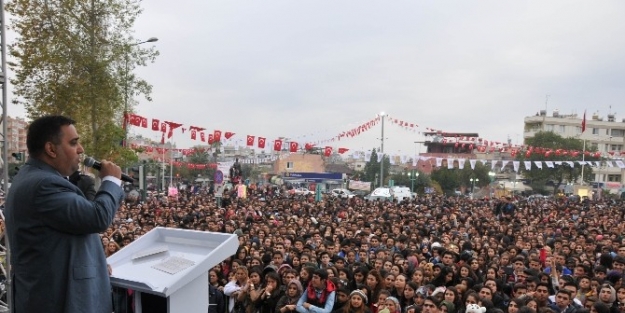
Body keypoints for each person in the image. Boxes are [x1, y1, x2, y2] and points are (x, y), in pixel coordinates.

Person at [5, 115, 124, 313]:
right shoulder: (45, 185)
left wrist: (95, 263)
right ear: (51, 149)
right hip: (60, 301)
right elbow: (98, 217)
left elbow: (62, 240)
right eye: (73, 142)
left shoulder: (32, 178)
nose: (81, 149)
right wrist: (111, 180)